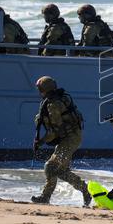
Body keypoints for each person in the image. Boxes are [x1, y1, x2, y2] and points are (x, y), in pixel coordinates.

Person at [31, 76, 91, 206]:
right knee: (60, 171)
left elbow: (54, 132)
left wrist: (40, 142)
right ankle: (85, 191)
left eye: (40, 89)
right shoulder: (62, 98)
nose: (39, 92)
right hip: (71, 137)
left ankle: (45, 197)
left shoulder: (53, 104)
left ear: (44, 89)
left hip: (70, 139)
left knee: (50, 166)